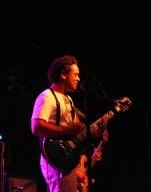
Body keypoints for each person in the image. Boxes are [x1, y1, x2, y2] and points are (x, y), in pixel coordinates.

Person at [31, 55, 106, 192]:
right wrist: (69, 129)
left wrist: (94, 132)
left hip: (68, 161)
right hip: (55, 160)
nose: (78, 79)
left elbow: (77, 130)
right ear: (63, 75)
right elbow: (36, 127)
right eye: (75, 75)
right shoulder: (47, 96)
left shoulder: (68, 100)